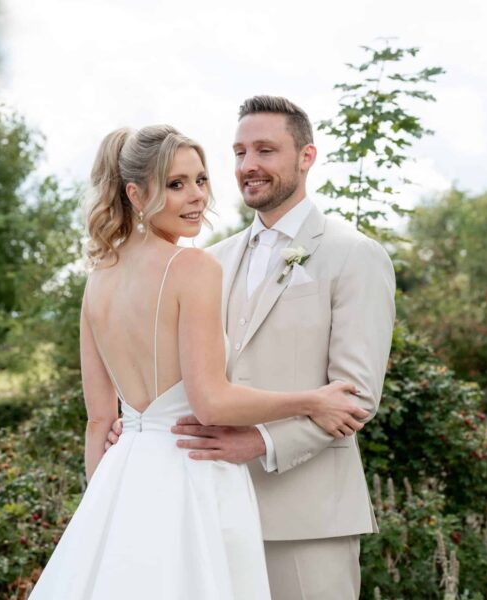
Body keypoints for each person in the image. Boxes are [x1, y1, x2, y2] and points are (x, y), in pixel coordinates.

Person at [29, 124, 369, 600]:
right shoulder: (193, 267)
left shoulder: (98, 281)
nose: (196, 197)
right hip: (192, 474)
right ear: (135, 192)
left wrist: (103, 510)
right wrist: (312, 400)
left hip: (122, 479)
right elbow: (210, 402)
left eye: (201, 179)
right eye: (176, 184)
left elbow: (99, 421)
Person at [110, 97, 397, 599]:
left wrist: (260, 442)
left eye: (265, 150)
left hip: (308, 521)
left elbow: (355, 398)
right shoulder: (207, 261)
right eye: (239, 152)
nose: (248, 166)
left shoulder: (356, 255)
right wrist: (133, 426)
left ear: (306, 156)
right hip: (210, 509)